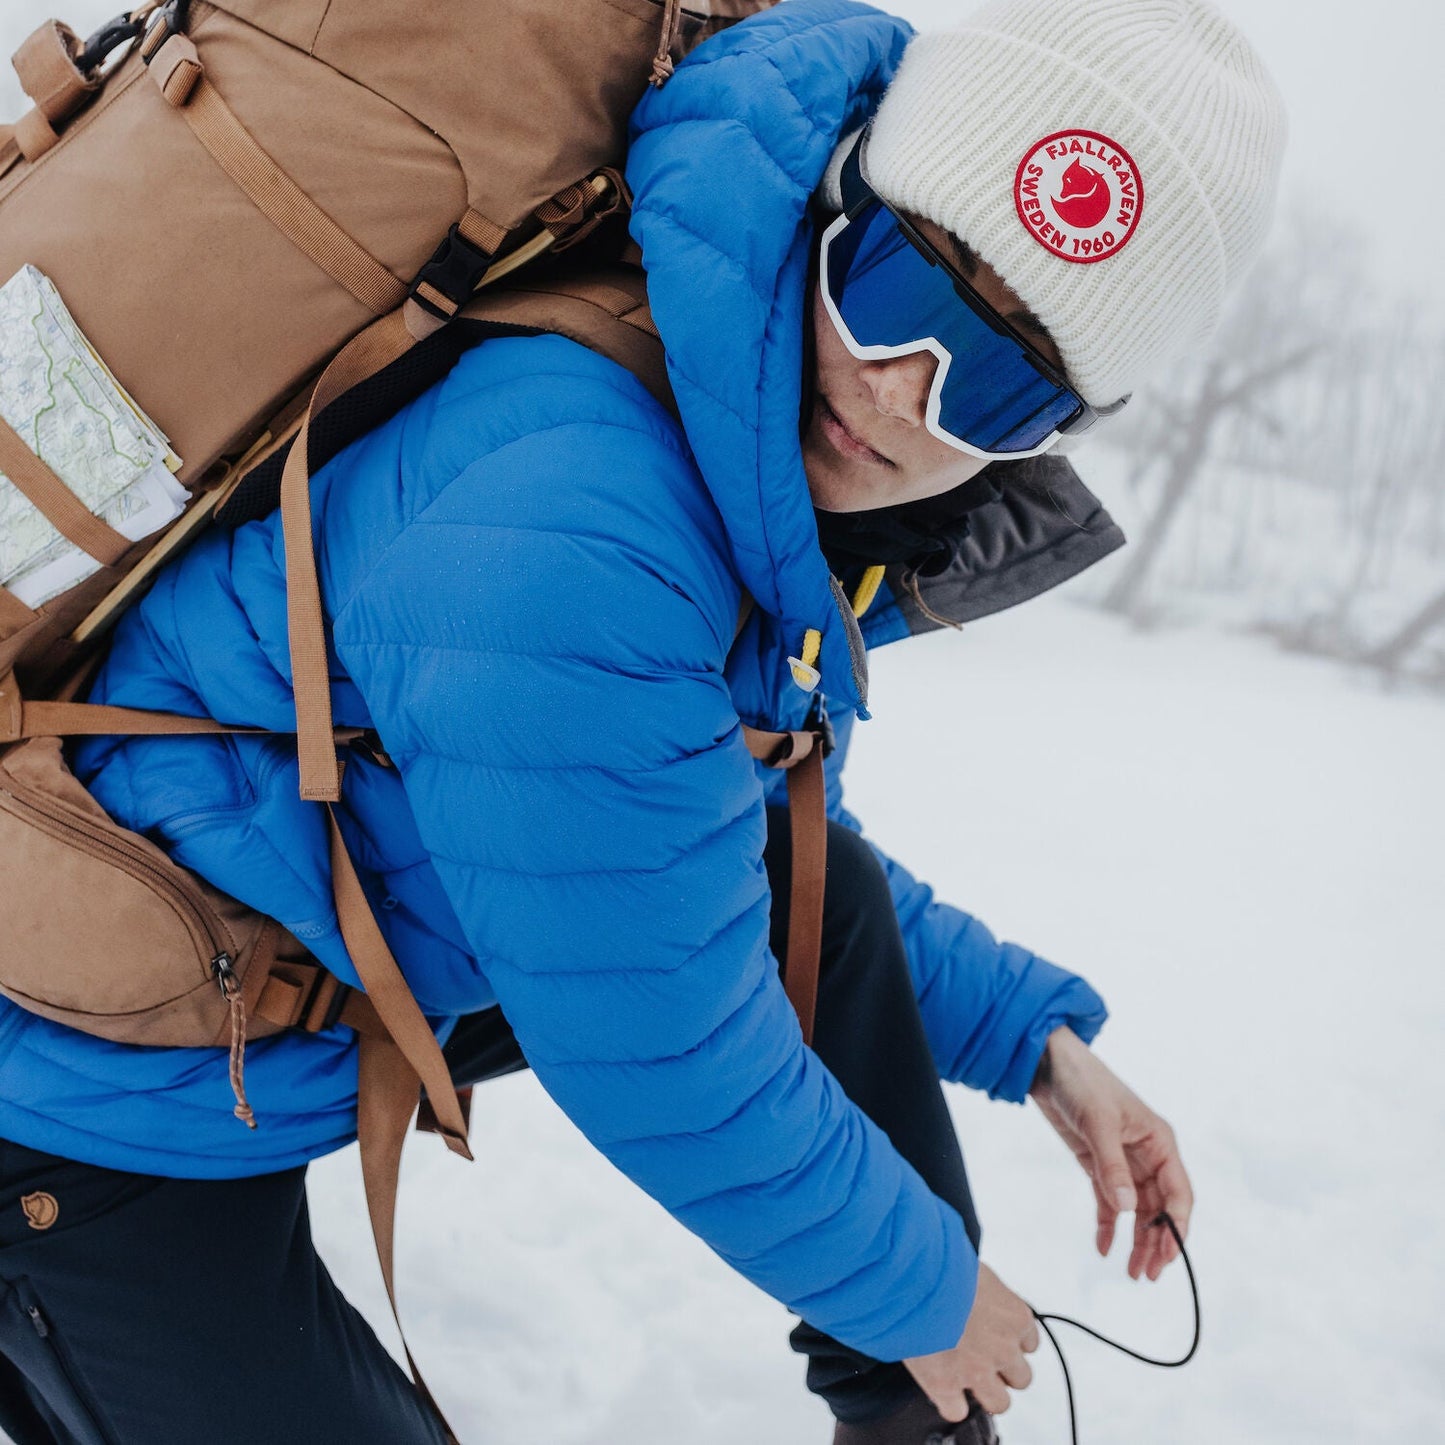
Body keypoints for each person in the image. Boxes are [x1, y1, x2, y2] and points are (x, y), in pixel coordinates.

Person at [0, 0, 1285, 1441]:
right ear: (836, 193)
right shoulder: (583, 520)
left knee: (820, 895)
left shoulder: (715, 426)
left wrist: (1039, 1041)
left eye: (999, 385)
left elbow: (723, 839)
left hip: (221, 974)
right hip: (74, 1079)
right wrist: (931, 1297)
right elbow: (660, 1043)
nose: (902, 392)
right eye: (896, 285)